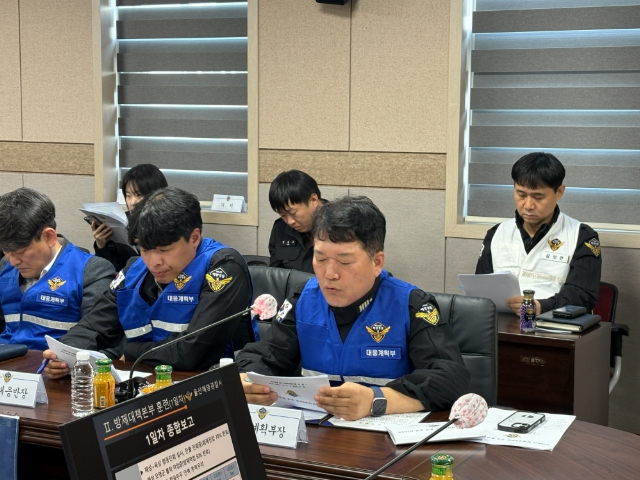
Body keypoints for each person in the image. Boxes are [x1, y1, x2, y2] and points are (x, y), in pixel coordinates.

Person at [237, 196, 470, 421]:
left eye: (345, 262)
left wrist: (376, 400)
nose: (330, 274)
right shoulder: (303, 300)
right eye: (320, 259)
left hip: (385, 440)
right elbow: (266, 353)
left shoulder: (412, 305)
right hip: (316, 434)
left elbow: (450, 379)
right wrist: (247, 380)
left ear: (377, 262)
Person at [42, 187, 255, 377]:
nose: (154, 262)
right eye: (145, 249)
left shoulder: (223, 266)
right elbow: (94, 325)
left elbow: (195, 350)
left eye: (164, 250)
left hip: (208, 386)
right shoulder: (134, 270)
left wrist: (130, 351)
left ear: (194, 238)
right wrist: (64, 353)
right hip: (141, 382)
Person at [476, 152, 602, 315]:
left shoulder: (582, 236)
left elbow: (583, 295)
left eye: (538, 197)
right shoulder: (496, 234)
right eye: (521, 195)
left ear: (559, 192)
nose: (528, 205)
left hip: (554, 325)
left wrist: (542, 306)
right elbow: (481, 289)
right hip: (501, 323)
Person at [0, 188, 115, 350]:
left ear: (49, 237)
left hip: (56, 360)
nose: (12, 262)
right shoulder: (5, 266)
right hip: (7, 359)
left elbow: (93, 335)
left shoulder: (91, 272)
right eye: (6, 251)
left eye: (20, 252)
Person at [91, 164, 168, 271]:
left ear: (157, 194)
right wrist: (102, 244)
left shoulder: (170, 224)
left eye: (139, 195)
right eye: (128, 195)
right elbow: (110, 269)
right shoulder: (123, 220)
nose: (132, 202)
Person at [268, 170, 325, 274]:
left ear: (313, 200)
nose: (290, 222)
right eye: (283, 215)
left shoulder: (339, 226)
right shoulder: (280, 228)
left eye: (293, 213)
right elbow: (275, 275)